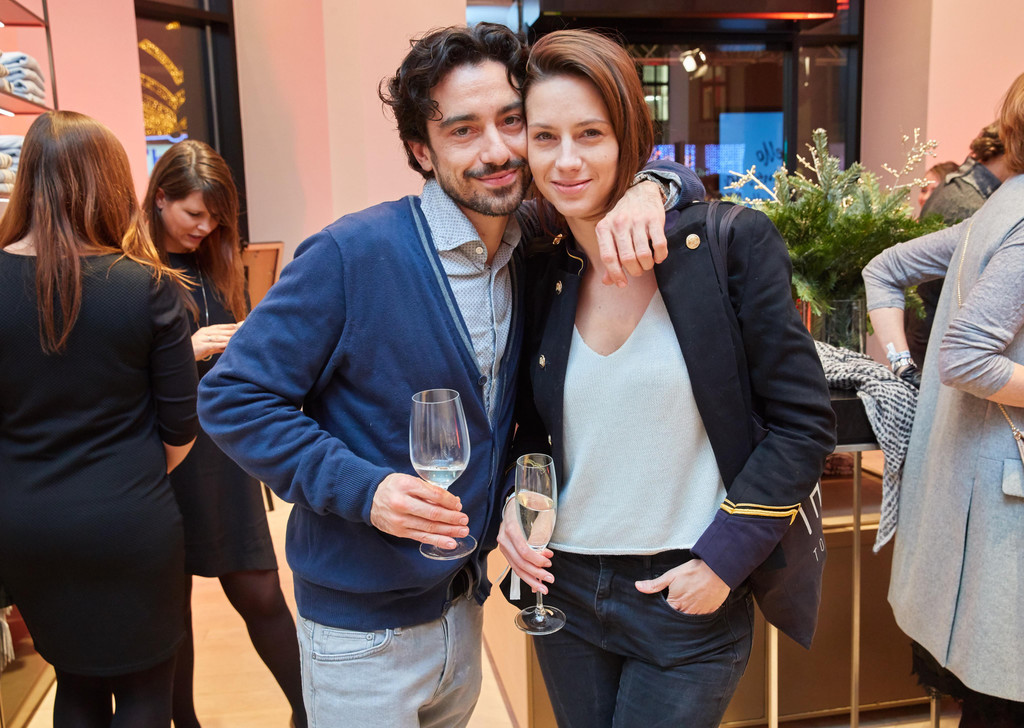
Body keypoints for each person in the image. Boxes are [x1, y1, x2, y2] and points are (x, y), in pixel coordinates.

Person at [197, 22, 686, 727]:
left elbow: (651, 173)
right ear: (422, 151)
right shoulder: (352, 254)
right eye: (463, 131)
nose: (498, 151)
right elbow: (234, 397)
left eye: (512, 121)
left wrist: (653, 189)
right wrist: (365, 490)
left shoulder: (533, 243)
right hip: (361, 631)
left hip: (462, 607)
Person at [496, 29, 836, 727]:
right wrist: (514, 505)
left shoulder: (727, 247)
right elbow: (529, 426)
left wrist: (724, 561)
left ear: (628, 136)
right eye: (545, 137)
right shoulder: (539, 265)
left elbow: (803, 425)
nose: (566, 160)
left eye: (590, 134)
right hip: (563, 585)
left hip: (683, 590)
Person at [0, 111, 198, 726]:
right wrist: (122, 477)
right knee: (146, 691)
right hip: (130, 521)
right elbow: (179, 432)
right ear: (111, 184)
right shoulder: (147, 287)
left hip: (27, 525)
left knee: (76, 682)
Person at [863, 72, 1024, 728]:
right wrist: (908, 366)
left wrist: (903, 363)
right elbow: (965, 357)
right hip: (1001, 509)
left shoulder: (1001, 206)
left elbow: (884, 268)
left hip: (974, 498)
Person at [143, 140, 306, 728]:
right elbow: (111, 373)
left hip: (218, 445)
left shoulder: (216, 261)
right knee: (171, 610)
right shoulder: (132, 271)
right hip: (157, 451)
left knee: (259, 589)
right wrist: (184, 351)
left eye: (215, 217)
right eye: (194, 214)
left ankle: (311, 712)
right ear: (160, 199)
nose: (205, 227)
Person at [907, 124, 1012, 366]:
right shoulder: (970, 204)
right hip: (944, 345)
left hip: (932, 336)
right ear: (1010, 151)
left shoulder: (955, 185)